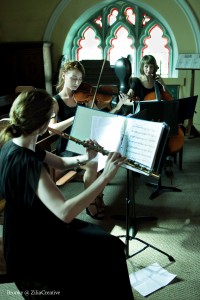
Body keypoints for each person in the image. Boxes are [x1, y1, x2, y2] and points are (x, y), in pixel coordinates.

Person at [0, 89, 134, 299]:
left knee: (109, 245)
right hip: (31, 247)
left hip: (33, 225)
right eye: (52, 117)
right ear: (43, 125)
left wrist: (86, 156)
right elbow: (65, 212)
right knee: (110, 250)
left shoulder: (16, 144)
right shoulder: (27, 163)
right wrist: (105, 177)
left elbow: (62, 162)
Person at [50, 60, 128, 220]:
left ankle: (98, 196)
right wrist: (74, 117)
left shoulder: (84, 98)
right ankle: (90, 204)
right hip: (67, 148)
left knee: (107, 159)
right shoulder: (55, 101)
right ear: (64, 75)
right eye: (73, 78)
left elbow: (101, 117)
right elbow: (52, 130)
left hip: (85, 144)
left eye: (80, 79)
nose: (77, 83)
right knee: (93, 164)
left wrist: (118, 106)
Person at [125, 54, 184, 174]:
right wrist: (133, 100)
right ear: (143, 67)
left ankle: (166, 160)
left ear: (154, 68)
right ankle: (139, 163)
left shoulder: (157, 81)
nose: (149, 70)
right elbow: (128, 98)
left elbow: (168, 99)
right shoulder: (136, 81)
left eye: (151, 67)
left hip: (156, 117)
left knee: (166, 129)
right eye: (146, 66)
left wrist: (163, 85)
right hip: (142, 117)